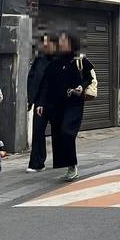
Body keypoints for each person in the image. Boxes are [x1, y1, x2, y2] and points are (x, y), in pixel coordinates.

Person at [36, 31, 96, 181]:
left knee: (67, 132)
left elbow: (89, 76)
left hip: (74, 103)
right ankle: (67, 164)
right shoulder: (54, 61)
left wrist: (82, 87)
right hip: (56, 105)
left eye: (64, 41)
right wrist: (41, 103)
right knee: (58, 134)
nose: (61, 44)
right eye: (60, 41)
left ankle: (72, 165)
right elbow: (46, 84)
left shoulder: (79, 59)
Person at [26, 33, 56, 173]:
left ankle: (65, 161)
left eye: (47, 43)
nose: (44, 46)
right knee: (38, 131)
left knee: (61, 132)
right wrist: (31, 99)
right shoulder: (40, 59)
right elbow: (32, 78)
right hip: (40, 103)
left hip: (56, 102)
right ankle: (37, 163)